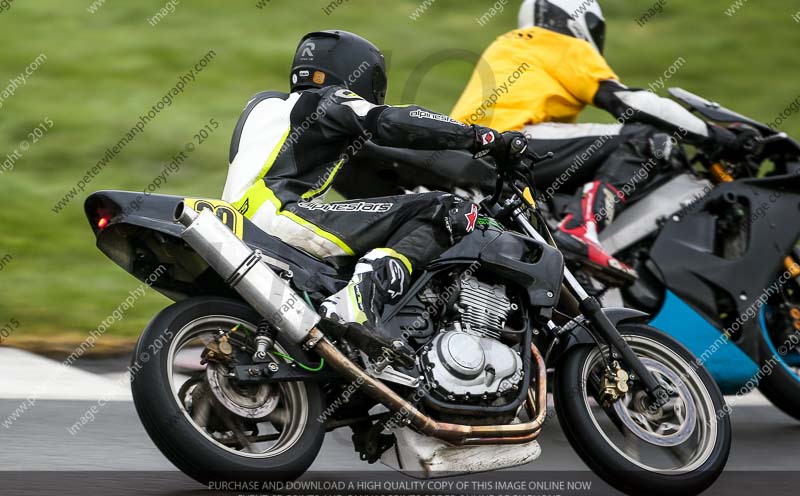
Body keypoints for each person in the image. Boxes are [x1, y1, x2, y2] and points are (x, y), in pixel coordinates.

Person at [222, 30, 526, 346]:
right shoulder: (329, 99)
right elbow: (393, 121)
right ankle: (359, 302)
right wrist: (481, 137)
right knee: (448, 208)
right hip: (280, 216)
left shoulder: (266, 106)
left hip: (237, 222)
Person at [450, 0, 742, 278]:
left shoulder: (509, 45)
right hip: (513, 142)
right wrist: (718, 136)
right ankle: (579, 228)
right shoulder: (555, 41)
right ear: (580, 21)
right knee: (648, 139)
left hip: (467, 152)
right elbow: (628, 102)